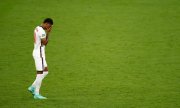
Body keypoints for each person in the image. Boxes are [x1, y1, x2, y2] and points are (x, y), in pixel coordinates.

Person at [28, 18, 53, 99]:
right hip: (39, 54)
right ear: (46, 23)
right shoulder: (42, 31)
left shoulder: (37, 27)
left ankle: (32, 87)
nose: (49, 27)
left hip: (38, 52)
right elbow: (44, 43)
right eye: (49, 26)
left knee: (46, 71)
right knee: (40, 73)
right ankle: (36, 94)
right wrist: (48, 33)